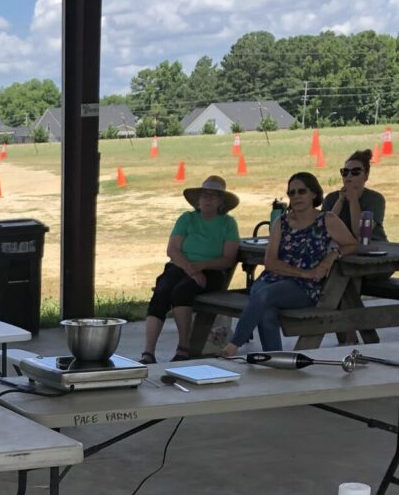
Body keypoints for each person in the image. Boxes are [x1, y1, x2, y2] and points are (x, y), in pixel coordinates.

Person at [220, 172, 356, 356]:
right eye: (292, 193)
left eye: (301, 191)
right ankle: (275, 359)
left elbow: (352, 244)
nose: (296, 196)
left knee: (263, 296)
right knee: (265, 308)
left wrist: (332, 255)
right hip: (274, 278)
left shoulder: (327, 220)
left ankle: (233, 345)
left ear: (313, 194)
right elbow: (270, 262)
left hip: (304, 287)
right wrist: (303, 272)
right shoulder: (281, 222)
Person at [140, 176, 241, 364]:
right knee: (161, 291)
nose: (208, 199)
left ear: (221, 202)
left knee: (181, 291)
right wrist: (191, 269)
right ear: (198, 200)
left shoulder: (228, 224)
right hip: (181, 266)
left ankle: (184, 347)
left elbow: (228, 259)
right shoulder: (187, 218)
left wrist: (201, 266)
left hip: (211, 271)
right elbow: (172, 250)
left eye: (214, 196)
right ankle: (148, 352)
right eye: (204, 195)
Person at [322, 149, 387, 242]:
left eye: (355, 172)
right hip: (342, 250)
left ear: (366, 175)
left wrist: (353, 200)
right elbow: (324, 231)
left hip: (374, 247)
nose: (349, 176)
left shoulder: (375, 199)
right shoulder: (331, 198)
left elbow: (360, 233)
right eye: (345, 172)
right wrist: (340, 201)